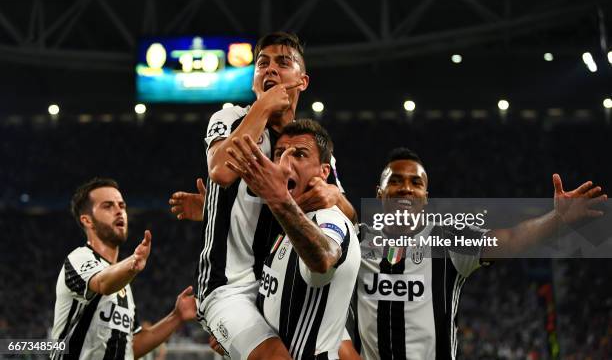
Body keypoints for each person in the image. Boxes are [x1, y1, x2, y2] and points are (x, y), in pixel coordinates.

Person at [192, 32, 356, 360]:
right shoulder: (230, 119)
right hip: (229, 287)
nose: (270, 70)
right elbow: (221, 171)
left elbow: (348, 217)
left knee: (349, 353)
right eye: (262, 64)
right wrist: (264, 106)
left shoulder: (311, 144)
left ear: (303, 81)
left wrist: (334, 195)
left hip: (285, 280)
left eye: (283, 62)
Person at [354, 148, 606, 360]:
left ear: (425, 197)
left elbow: (511, 240)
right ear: (379, 193)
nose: (406, 189)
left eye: (416, 183)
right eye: (395, 181)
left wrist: (557, 219)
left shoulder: (446, 239)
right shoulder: (358, 241)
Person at [224, 119, 360, 359]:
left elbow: (324, 257)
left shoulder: (328, 218)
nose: (285, 163)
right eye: (279, 153)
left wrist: (278, 199)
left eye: (299, 154)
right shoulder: (288, 226)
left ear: (324, 171)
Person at [51, 178, 196, 360]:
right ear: (87, 220)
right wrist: (133, 263)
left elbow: (131, 346)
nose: (119, 210)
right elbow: (102, 283)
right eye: (108, 206)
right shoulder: (79, 259)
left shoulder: (123, 283)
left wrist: (177, 317)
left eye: (122, 205)